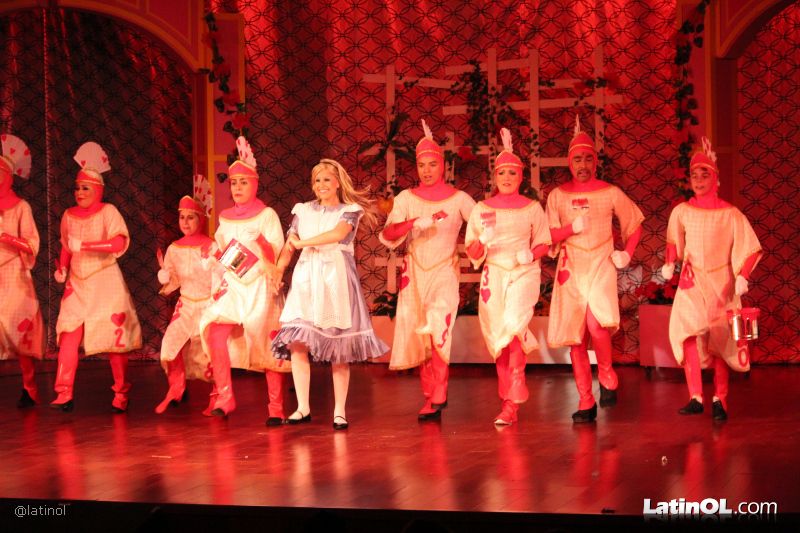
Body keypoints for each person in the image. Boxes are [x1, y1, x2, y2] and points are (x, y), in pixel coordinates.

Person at [272, 159, 388, 430]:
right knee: (297, 341)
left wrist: (303, 243)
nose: (321, 185)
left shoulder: (350, 211)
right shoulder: (303, 210)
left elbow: (337, 234)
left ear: (337, 182)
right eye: (317, 180)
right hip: (306, 279)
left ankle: (339, 411)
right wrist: (278, 270)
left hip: (335, 279)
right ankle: (302, 407)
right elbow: (289, 245)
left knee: (339, 348)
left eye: (326, 179)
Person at [546, 117, 644, 423]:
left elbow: (634, 223)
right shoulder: (557, 196)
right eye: (577, 159)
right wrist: (569, 229)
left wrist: (627, 253)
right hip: (571, 265)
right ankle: (585, 400)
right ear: (570, 162)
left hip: (601, 262)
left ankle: (606, 373)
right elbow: (548, 236)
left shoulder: (610, 192)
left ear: (596, 161)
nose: (583, 164)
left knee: (596, 324)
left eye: (588, 158)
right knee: (576, 337)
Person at [379, 120, 475, 421]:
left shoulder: (459, 199)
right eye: (422, 165)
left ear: (443, 165)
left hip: (444, 269)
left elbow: (481, 225)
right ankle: (429, 397)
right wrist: (411, 223)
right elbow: (389, 233)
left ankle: (440, 389)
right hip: (415, 272)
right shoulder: (406, 198)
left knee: (437, 325)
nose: (427, 170)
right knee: (420, 332)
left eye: (433, 164)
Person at [661, 137, 762, 421]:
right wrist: (669, 263)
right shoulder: (682, 211)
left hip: (722, 283)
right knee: (687, 332)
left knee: (721, 339)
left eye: (704, 174)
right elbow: (673, 241)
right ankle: (695, 396)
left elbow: (751, 247)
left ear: (715, 178)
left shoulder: (730, 214)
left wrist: (742, 276)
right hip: (692, 281)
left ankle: (720, 399)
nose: (699, 180)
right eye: (694, 175)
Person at [198, 136, 289, 423]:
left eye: (243, 183)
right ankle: (225, 397)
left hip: (260, 284)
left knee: (267, 343)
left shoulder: (267, 215)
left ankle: (276, 408)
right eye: (234, 183)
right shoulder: (225, 218)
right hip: (235, 284)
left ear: (255, 185)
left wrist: (260, 241)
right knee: (215, 331)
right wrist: (213, 256)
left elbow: (277, 253)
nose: (237, 188)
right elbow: (224, 251)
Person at [465, 128, 551, 426]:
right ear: (495, 176)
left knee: (514, 327)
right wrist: (483, 240)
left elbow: (544, 242)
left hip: (523, 271)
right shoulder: (481, 209)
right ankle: (507, 401)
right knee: (498, 337)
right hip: (494, 274)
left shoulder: (532, 208)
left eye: (512, 173)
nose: (506, 177)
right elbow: (472, 251)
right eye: (502, 173)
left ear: (521, 177)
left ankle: (514, 394)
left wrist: (531, 254)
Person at [51, 141, 143, 413]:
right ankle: (64, 393)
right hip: (78, 282)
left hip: (104, 281)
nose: (79, 192)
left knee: (114, 341)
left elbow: (118, 243)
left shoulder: (108, 212)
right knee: (68, 334)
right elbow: (66, 246)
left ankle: (121, 392)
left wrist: (87, 246)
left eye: (85, 188)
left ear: (98, 190)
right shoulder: (68, 216)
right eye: (77, 188)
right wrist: (62, 268)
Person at [154, 191, 217, 415]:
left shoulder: (211, 246)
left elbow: (220, 277)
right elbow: (173, 279)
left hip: (208, 305)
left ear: (200, 220)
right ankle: (176, 387)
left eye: (191, 217)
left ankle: (216, 396)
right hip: (186, 304)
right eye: (182, 217)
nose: (186, 222)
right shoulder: (174, 248)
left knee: (208, 352)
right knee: (171, 343)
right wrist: (165, 277)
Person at [0, 133, 45, 408]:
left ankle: (29, 387)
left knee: (19, 333)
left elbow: (32, 244)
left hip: (13, 275)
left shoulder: (21, 207)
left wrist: (7, 238)